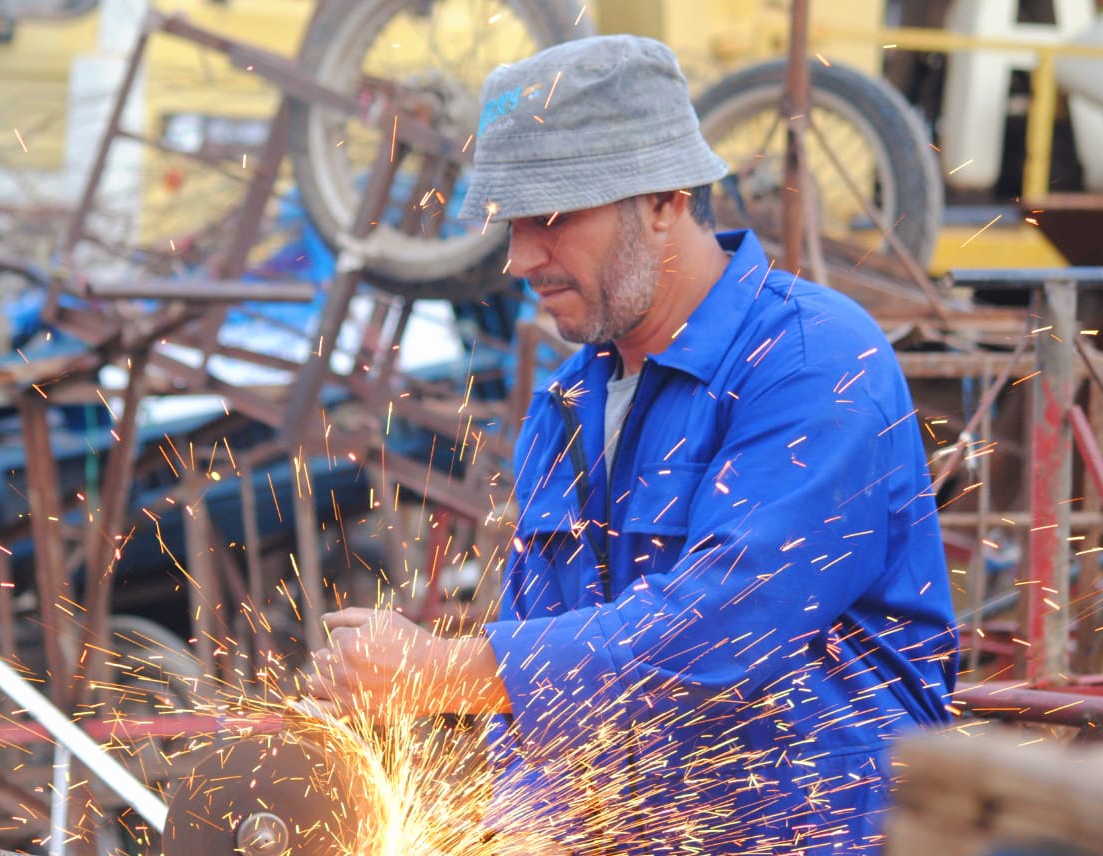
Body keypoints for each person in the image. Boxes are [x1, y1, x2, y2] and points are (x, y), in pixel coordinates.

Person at [306, 33, 958, 854]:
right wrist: (523, 809)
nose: (518, 258)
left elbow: (725, 627)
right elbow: (549, 653)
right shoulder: (569, 402)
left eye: (551, 218)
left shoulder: (811, 360)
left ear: (665, 200)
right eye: (511, 224)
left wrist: (444, 670)